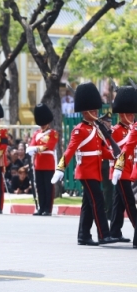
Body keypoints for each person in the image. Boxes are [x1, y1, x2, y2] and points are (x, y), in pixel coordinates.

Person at [51, 82, 118, 246]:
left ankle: (84, 235)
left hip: (94, 171)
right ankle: (104, 234)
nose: (96, 113)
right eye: (93, 110)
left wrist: (116, 156)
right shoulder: (79, 130)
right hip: (85, 171)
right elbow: (70, 150)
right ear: (85, 111)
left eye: (96, 110)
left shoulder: (96, 128)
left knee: (88, 205)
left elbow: (102, 150)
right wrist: (60, 167)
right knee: (98, 201)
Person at [110, 86, 137, 247]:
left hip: (130, 171)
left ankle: (115, 230)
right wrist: (118, 168)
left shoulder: (132, 129)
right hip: (123, 171)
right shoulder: (115, 131)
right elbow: (124, 151)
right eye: (129, 114)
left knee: (119, 203)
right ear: (122, 114)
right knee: (128, 204)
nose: (132, 116)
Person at [26, 103, 58, 216]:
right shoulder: (36, 134)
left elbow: (49, 146)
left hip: (48, 163)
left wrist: (35, 148)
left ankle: (47, 209)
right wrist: (31, 149)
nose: (43, 125)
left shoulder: (53, 133)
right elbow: (32, 144)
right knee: (40, 187)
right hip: (38, 163)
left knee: (48, 187)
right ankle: (41, 207)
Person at [99, 112, 114, 220]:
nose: (109, 124)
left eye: (109, 122)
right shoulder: (99, 132)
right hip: (99, 161)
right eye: (106, 122)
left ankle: (108, 212)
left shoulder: (111, 132)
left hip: (107, 162)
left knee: (108, 189)